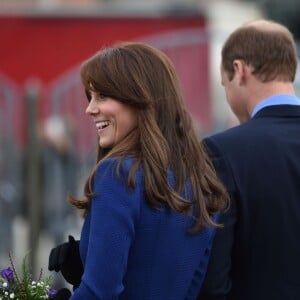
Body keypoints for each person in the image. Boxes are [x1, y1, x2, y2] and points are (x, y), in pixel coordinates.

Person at [48, 42, 228, 299]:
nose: (90, 109)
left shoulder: (118, 173)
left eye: (102, 96)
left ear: (140, 99)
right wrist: (87, 257)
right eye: (91, 97)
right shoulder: (199, 176)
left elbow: (100, 293)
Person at [198, 19, 300, 300]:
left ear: (239, 70)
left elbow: (213, 279)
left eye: (224, 84)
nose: (227, 94)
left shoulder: (222, 151)